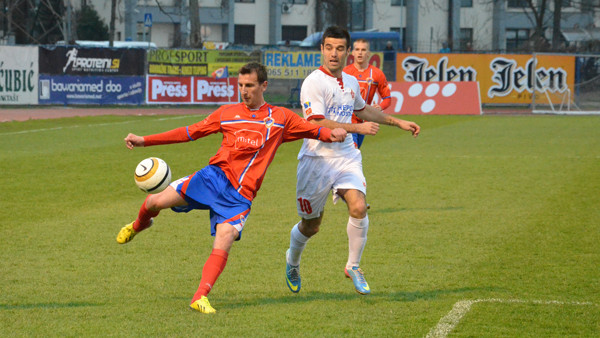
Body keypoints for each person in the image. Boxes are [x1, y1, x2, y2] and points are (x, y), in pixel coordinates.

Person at [117, 62, 347, 314]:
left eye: (249, 85)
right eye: (240, 85)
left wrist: (331, 133)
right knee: (153, 203)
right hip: (212, 178)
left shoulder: (280, 118)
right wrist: (144, 141)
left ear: (263, 86)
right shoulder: (227, 112)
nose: (244, 91)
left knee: (224, 239)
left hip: (240, 195)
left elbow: (313, 129)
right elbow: (189, 132)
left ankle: (200, 296)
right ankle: (139, 225)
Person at [284, 26, 420, 295]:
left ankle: (353, 266)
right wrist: (357, 128)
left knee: (359, 206)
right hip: (316, 160)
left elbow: (364, 110)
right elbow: (316, 122)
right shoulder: (314, 82)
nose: (334, 53)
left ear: (347, 52)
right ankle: (292, 260)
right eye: (329, 47)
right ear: (322, 49)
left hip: (346, 155)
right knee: (312, 225)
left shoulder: (351, 82)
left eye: (339, 48)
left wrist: (398, 121)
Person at [344, 38, 392, 148]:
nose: (360, 52)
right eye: (357, 49)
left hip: (363, 120)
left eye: (363, 50)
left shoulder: (377, 74)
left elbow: (387, 98)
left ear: (368, 53)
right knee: (352, 151)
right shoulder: (345, 72)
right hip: (348, 119)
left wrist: (379, 107)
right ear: (353, 52)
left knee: (352, 153)